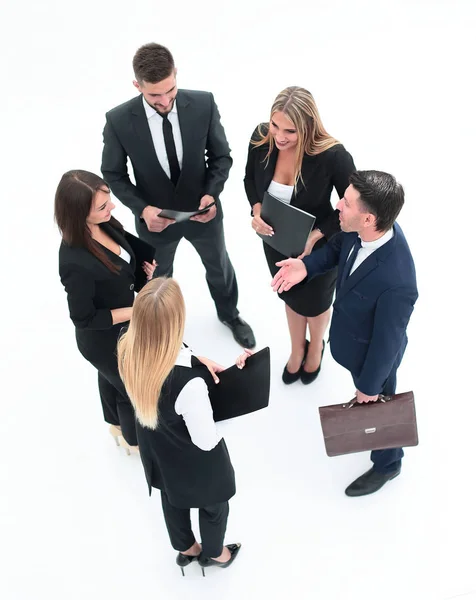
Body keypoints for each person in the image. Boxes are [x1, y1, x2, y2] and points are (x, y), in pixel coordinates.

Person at [271, 170, 418, 496]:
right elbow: (337, 250)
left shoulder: (399, 283)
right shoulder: (357, 230)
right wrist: (306, 266)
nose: (338, 205)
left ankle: (388, 463)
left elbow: (387, 342)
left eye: (347, 203)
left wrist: (368, 387)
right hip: (350, 342)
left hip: (374, 359)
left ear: (368, 219)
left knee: (382, 405)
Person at [101, 42, 255, 349]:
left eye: (170, 90)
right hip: (155, 223)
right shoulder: (118, 121)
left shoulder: (203, 104)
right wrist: (142, 209)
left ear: (176, 75)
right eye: (154, 95)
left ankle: (230, 315)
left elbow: (221, 158)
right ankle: (160, 332)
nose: (165, 100)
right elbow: (113, 174)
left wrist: (211, 195)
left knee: (219, 267)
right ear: (137, 85)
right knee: (157, 281)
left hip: (204, 214)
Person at [117, 277, 244, 575]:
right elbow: (206, 441)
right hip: (197, 464)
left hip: (157, 450)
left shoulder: (127, 345)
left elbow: (170, 351)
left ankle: (186, 549)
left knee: (171, 500)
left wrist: (194, 357)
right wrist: (233, 403)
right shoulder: (190, 385)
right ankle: (215, 553)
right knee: (214, 508)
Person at [244, 86, 355, 384]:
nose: (279, 136)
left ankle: (315, 348)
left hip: (318, 247)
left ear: (308, 126)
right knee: (290, 297)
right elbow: (249, 180)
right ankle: (297, 350)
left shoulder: (333, 155)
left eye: (290, 131)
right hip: (276, 242)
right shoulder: (261, 137)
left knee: (316, 304)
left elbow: (352, 207)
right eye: (275, 125)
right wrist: (256, 211)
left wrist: (317, 234)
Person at [56, 170, 157, 450]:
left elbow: (120, 269)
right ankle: (133, 440)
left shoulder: (107, 223)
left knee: (112, 379)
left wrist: (143, 276)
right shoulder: (73, 262)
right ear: (79, 214)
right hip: (103, 340)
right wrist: (134, 313)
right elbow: (83, 318)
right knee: (131, 390)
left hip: (121, 328)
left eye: (108, 200)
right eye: (102, 206)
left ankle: (114, 424)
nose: (111, 207)